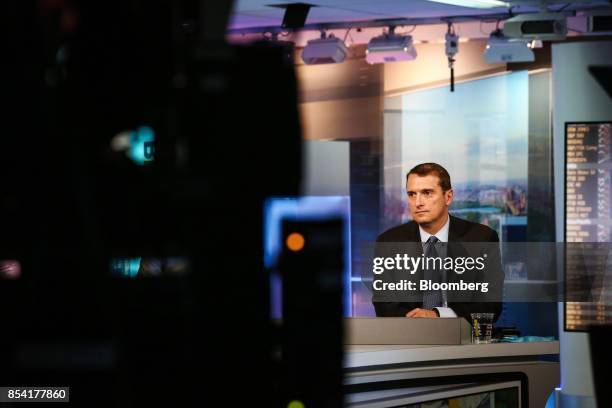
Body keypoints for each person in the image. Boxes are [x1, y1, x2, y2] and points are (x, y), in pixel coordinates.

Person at [372, 163, 503, 321]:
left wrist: (438, 315)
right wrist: (418, 324)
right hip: (409, 339)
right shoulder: (389, 242)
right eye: (412, 194)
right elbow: (384, 305)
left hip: (464, 339)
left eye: (427, 193)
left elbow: (491, 305)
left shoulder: (481, 238)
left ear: (448, 197)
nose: (418, 202)